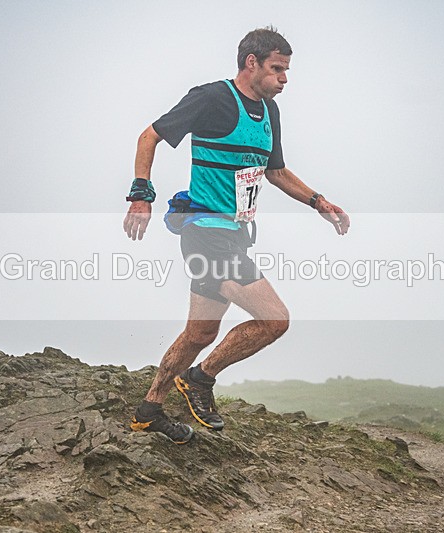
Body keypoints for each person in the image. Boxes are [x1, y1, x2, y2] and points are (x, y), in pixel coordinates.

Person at [123, 27, 350, 444]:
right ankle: (200, 380)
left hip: (234, 234)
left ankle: (149, 411)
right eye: (277, 68)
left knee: (200, 333)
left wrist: (319, 202)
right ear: (252, 63)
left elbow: (276, 172)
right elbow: (149, 136)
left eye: (286, 70)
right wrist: (141, 195)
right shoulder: (213, 98)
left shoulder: (270, 114)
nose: (285, 78)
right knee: (274, 319)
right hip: (206, 232)